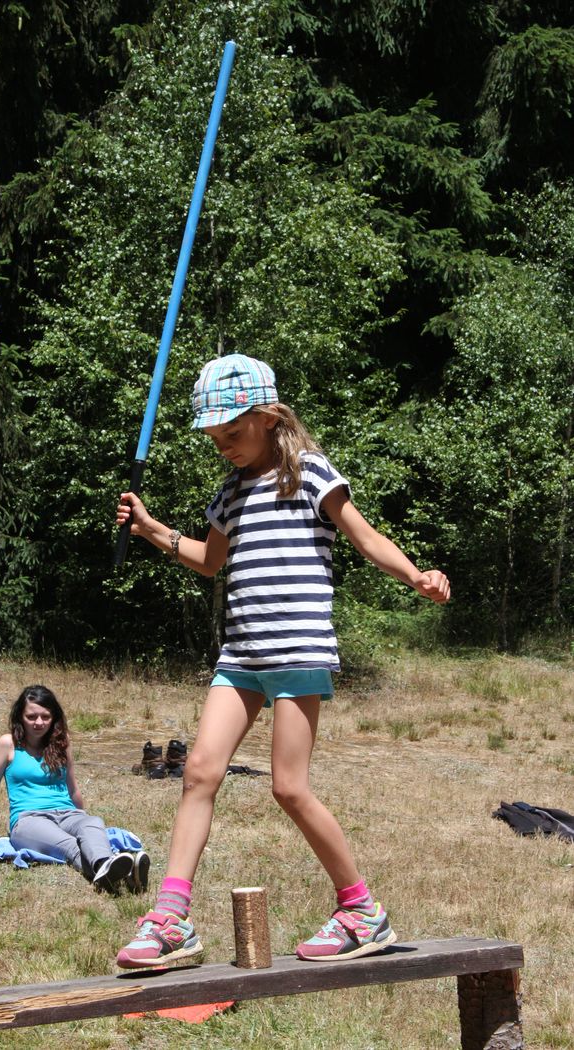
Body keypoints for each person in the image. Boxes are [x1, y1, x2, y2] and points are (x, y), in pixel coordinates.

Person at [115, 354, 450, 969]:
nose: (225, 446)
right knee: (198, 774)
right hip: (241, 654)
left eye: (233, 432)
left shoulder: (310, 474)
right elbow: (209, 561)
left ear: (269, 417)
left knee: (289, 788)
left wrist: (416, 576)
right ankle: (170, 919)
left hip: (298, 651)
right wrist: (150, 528)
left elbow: (365, 537)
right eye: (215, 437)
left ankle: (362, 912)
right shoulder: (229, 492)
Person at [0, 684, 149, 893]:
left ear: (54, 718)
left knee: (93, 824)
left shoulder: (62, 742)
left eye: (45, 717)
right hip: (29, 819)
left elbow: (73, 789)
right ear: (20, 717)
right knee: (69, 845)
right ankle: (120, 874)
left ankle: (107, 865)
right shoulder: (7, 745)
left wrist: (82, 818)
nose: (39, 722)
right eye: (31, 717)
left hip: (67, 813)